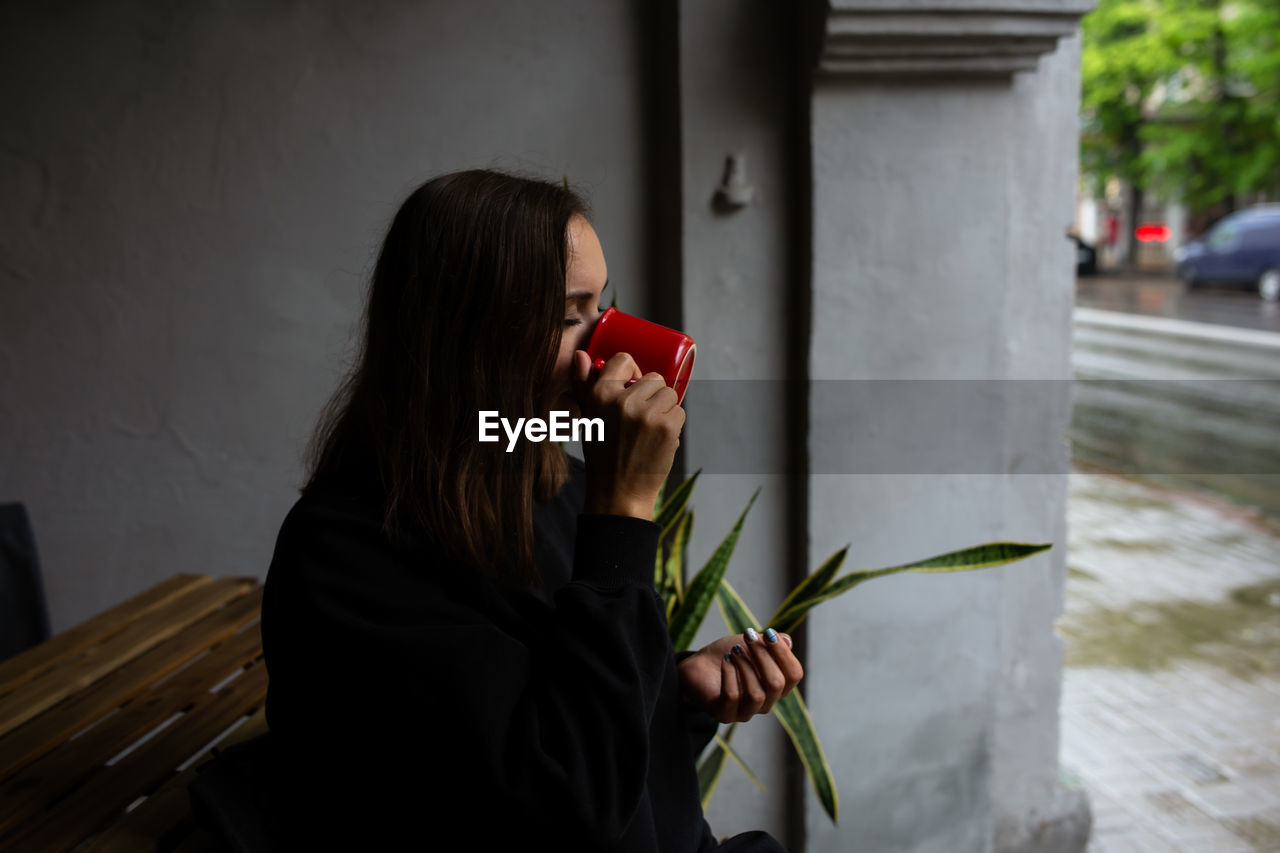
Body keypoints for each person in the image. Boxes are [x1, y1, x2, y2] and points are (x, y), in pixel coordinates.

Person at [259, 169, 803, 851]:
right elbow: (570, 805)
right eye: (571, 315)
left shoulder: (556, 482)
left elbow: (579, 717)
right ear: (466, 339)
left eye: (602, 306)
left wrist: (682, 690)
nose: (613, 348)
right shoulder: (347, 559)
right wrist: (624, 512)